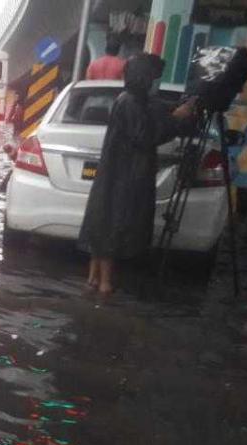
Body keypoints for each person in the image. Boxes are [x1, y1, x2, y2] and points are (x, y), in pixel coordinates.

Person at [77, 53, 197, 295]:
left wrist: (175, 112)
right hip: (123, 178)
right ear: (144, 78)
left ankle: (94, 280)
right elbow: (146, 135)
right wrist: (176, 119)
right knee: (112, 226)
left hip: (119, 176)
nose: (155, 83)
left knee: (104, 224)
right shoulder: (131, 102)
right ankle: (104, 284)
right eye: (153, 78)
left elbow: (153, 116)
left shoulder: (132, 100)